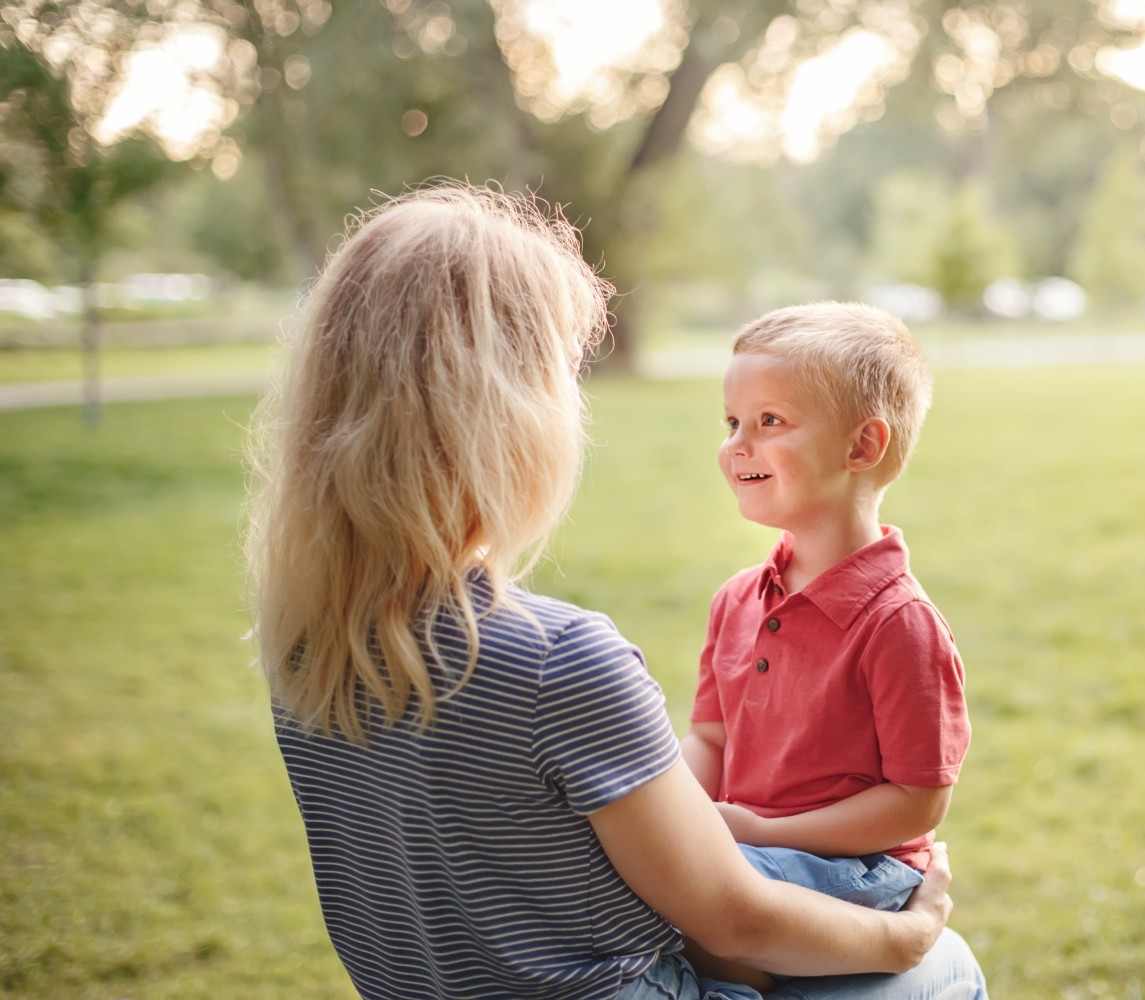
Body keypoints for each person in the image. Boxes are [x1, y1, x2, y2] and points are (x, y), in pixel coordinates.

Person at [245, 183, 987, 1000]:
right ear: (504, 412)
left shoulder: (304, 650)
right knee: (945, 971)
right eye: (563, 370)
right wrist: (907, 933)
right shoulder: (558, 662)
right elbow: (733, 917)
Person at [682, 303, 971, 986]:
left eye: (768, 422)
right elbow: (711, 741)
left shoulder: (899, 622)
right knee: (646, 876)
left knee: (698, 907)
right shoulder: (737, 599)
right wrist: (684, 824)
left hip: (858, 871)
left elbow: (916, 801)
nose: (735, 445)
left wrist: (757, 833)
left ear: (861, 447)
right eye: (731, 423)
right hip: (753, 851)